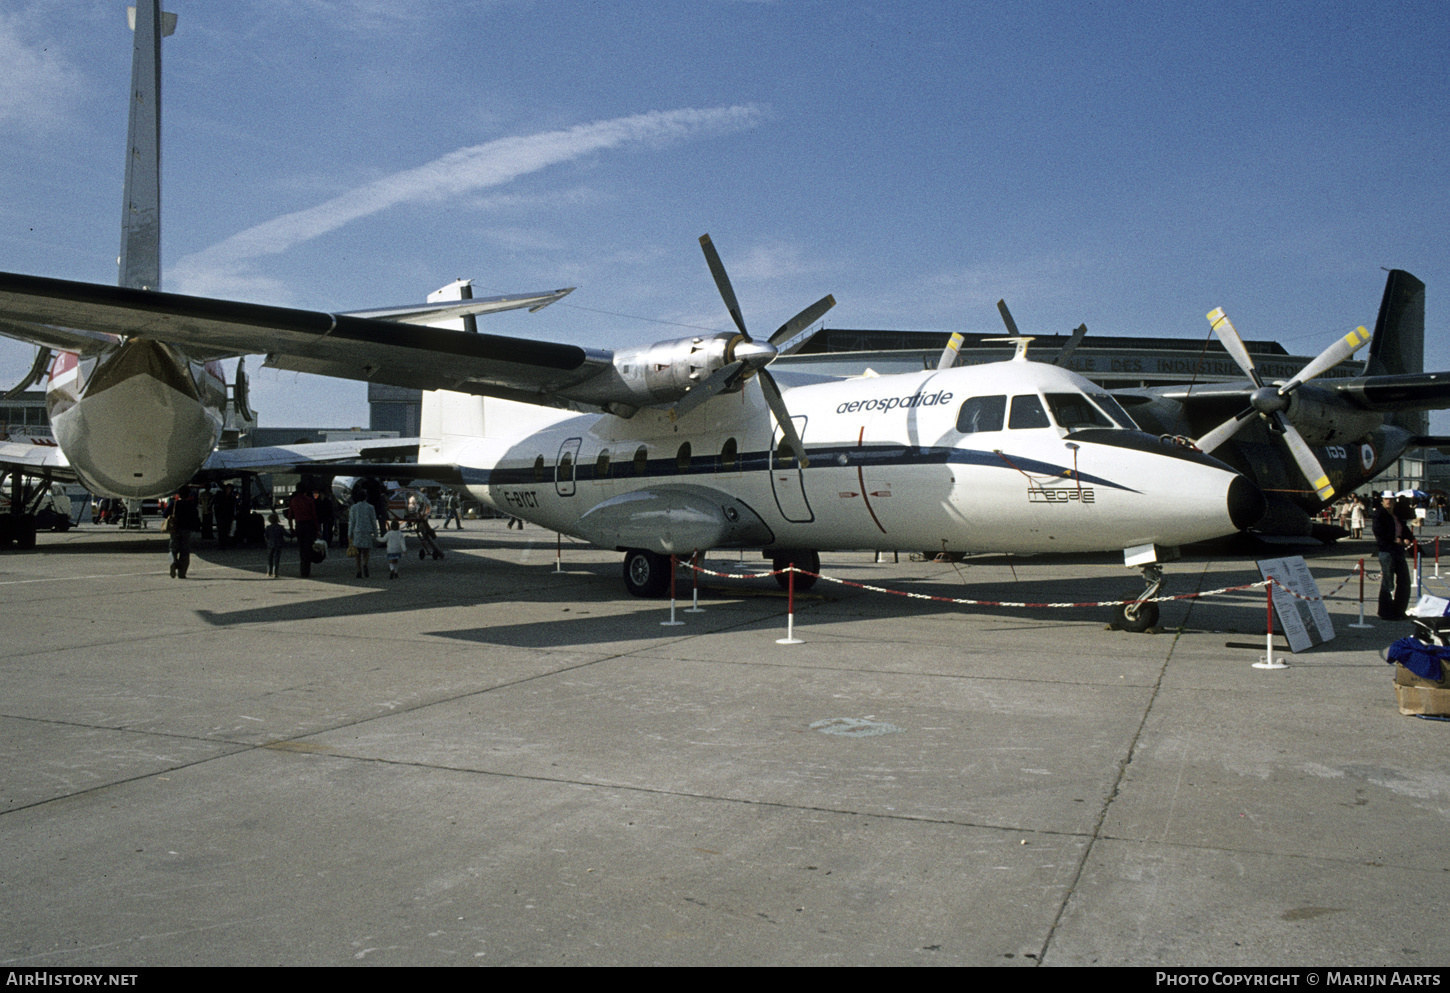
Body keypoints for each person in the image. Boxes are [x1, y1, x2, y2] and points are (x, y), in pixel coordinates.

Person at [1373, 490, 1416, 620]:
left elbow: (1404, 527)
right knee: (1388, 582)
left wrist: (1407, 538)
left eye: (1391, 499)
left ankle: (1399, 610)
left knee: (1404, 581)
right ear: (1382, 501)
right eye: (1386, 499)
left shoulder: (1396, 514)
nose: (1389, 502)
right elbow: (1378, 531)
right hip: (1387, 550)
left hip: (1398, 551)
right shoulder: (1379, 514)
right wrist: (1393, 538)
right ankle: (1385, 612)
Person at [166, 487, 201, 579]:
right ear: (188, 495)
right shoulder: (191, 505)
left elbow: (165, 514)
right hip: (186, 530)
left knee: (173, 550)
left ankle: (173, 562)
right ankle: (182, 573)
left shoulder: (174, 503)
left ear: (179, 495)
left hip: (175, 529)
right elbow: (196, 517)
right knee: (185, 552)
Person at [348, 490, 379, 579]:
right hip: (367, 531)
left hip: (357, 531)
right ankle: (365, 564)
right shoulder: (371, 507)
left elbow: (351, 522)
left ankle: (359, 569)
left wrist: (349, 533)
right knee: (366, 551)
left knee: (357, 553)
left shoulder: (353, 508)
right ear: (366, 497)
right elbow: (373, 521)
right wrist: (376, 534)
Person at [289, 485, 319, 578]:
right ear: (305, 491)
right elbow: (314, 516)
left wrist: (291, 528)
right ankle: (307, 570)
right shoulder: (309, 500)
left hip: (299, 525)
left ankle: (303, 570)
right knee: (308, 548)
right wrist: (317, 529)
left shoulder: (293, 500)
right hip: (309, 525)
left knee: (302, 548)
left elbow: (290, 516)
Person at [263, 513, 286, 578]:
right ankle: (275, 572)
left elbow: (266, 536)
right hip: (278, 544)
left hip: (270, 544)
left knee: (269, 558)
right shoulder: (280, 527)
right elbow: (285, 534)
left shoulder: (268, 527)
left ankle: (269, 571)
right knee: (276, 558)